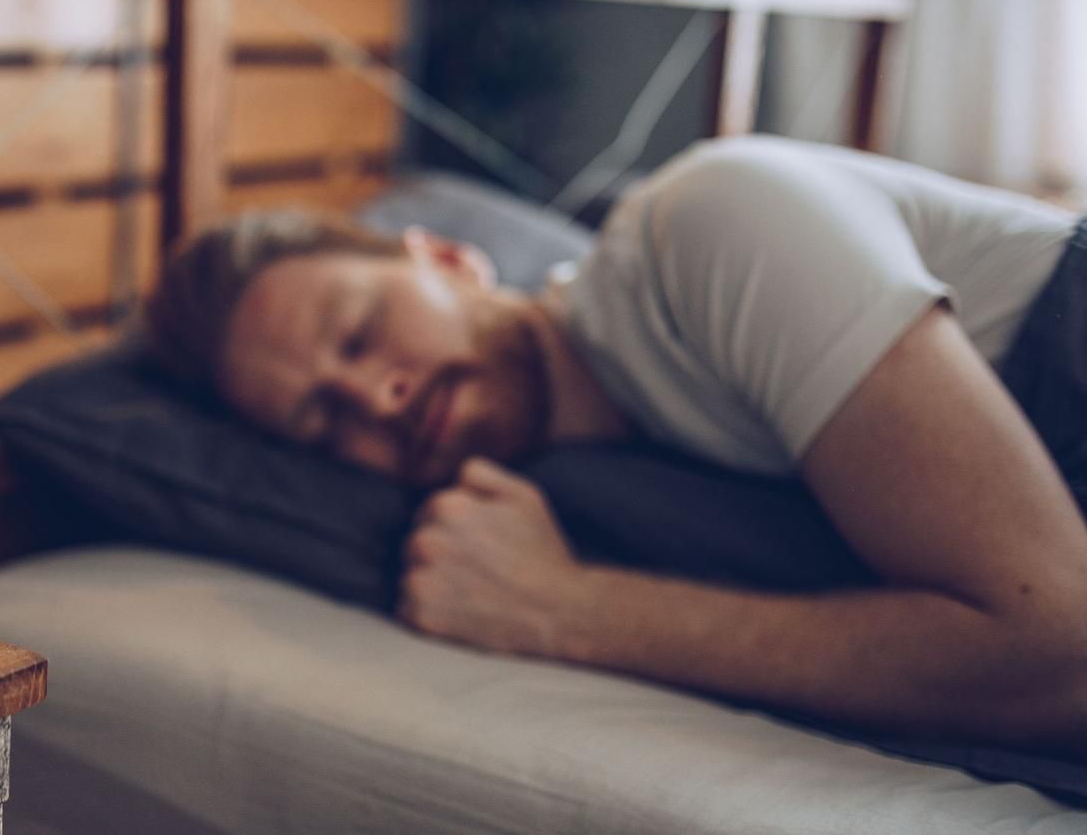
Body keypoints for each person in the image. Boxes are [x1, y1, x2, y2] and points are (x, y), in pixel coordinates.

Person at [143, 133, 1087, 753]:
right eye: (321, 421)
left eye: (357, 334)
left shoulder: (709, 226)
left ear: (446, 258)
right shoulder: (615, 478)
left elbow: (1059, 653)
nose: (374, 399)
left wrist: (566, 608)